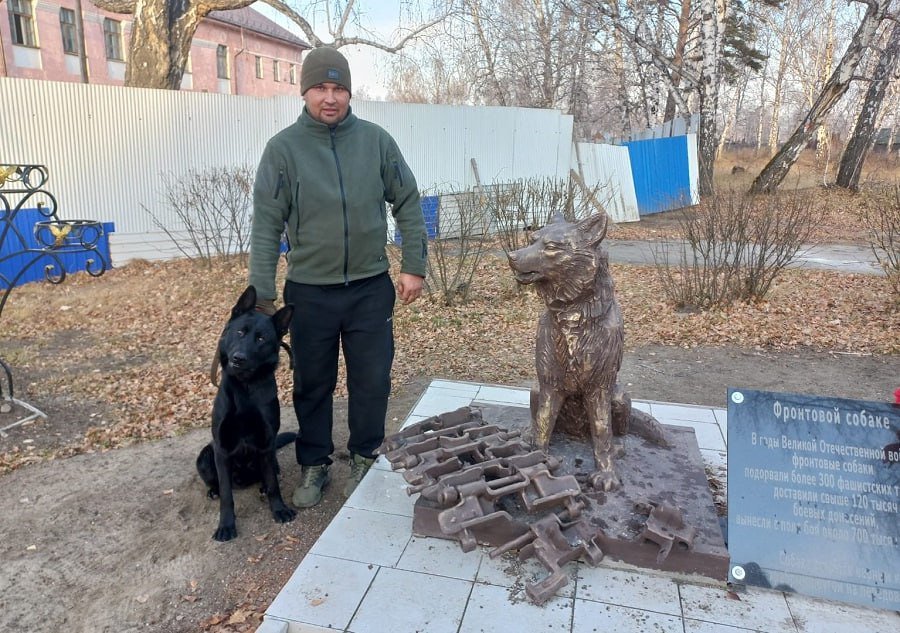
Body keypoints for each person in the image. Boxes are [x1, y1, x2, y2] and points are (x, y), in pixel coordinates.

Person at [248, 46, 427, 508]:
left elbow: (407, 200)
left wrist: (413, 265)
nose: (330, 98)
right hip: (309, 292)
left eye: (339, 88)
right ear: (304, 90)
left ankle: (365, 455)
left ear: (349, 92)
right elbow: (267, 224)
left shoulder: (375, 141)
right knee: (313, 383)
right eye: (321, 88)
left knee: (372, 379)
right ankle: (314, 462)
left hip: (370, 287)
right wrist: (262, 295)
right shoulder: (283, 150)